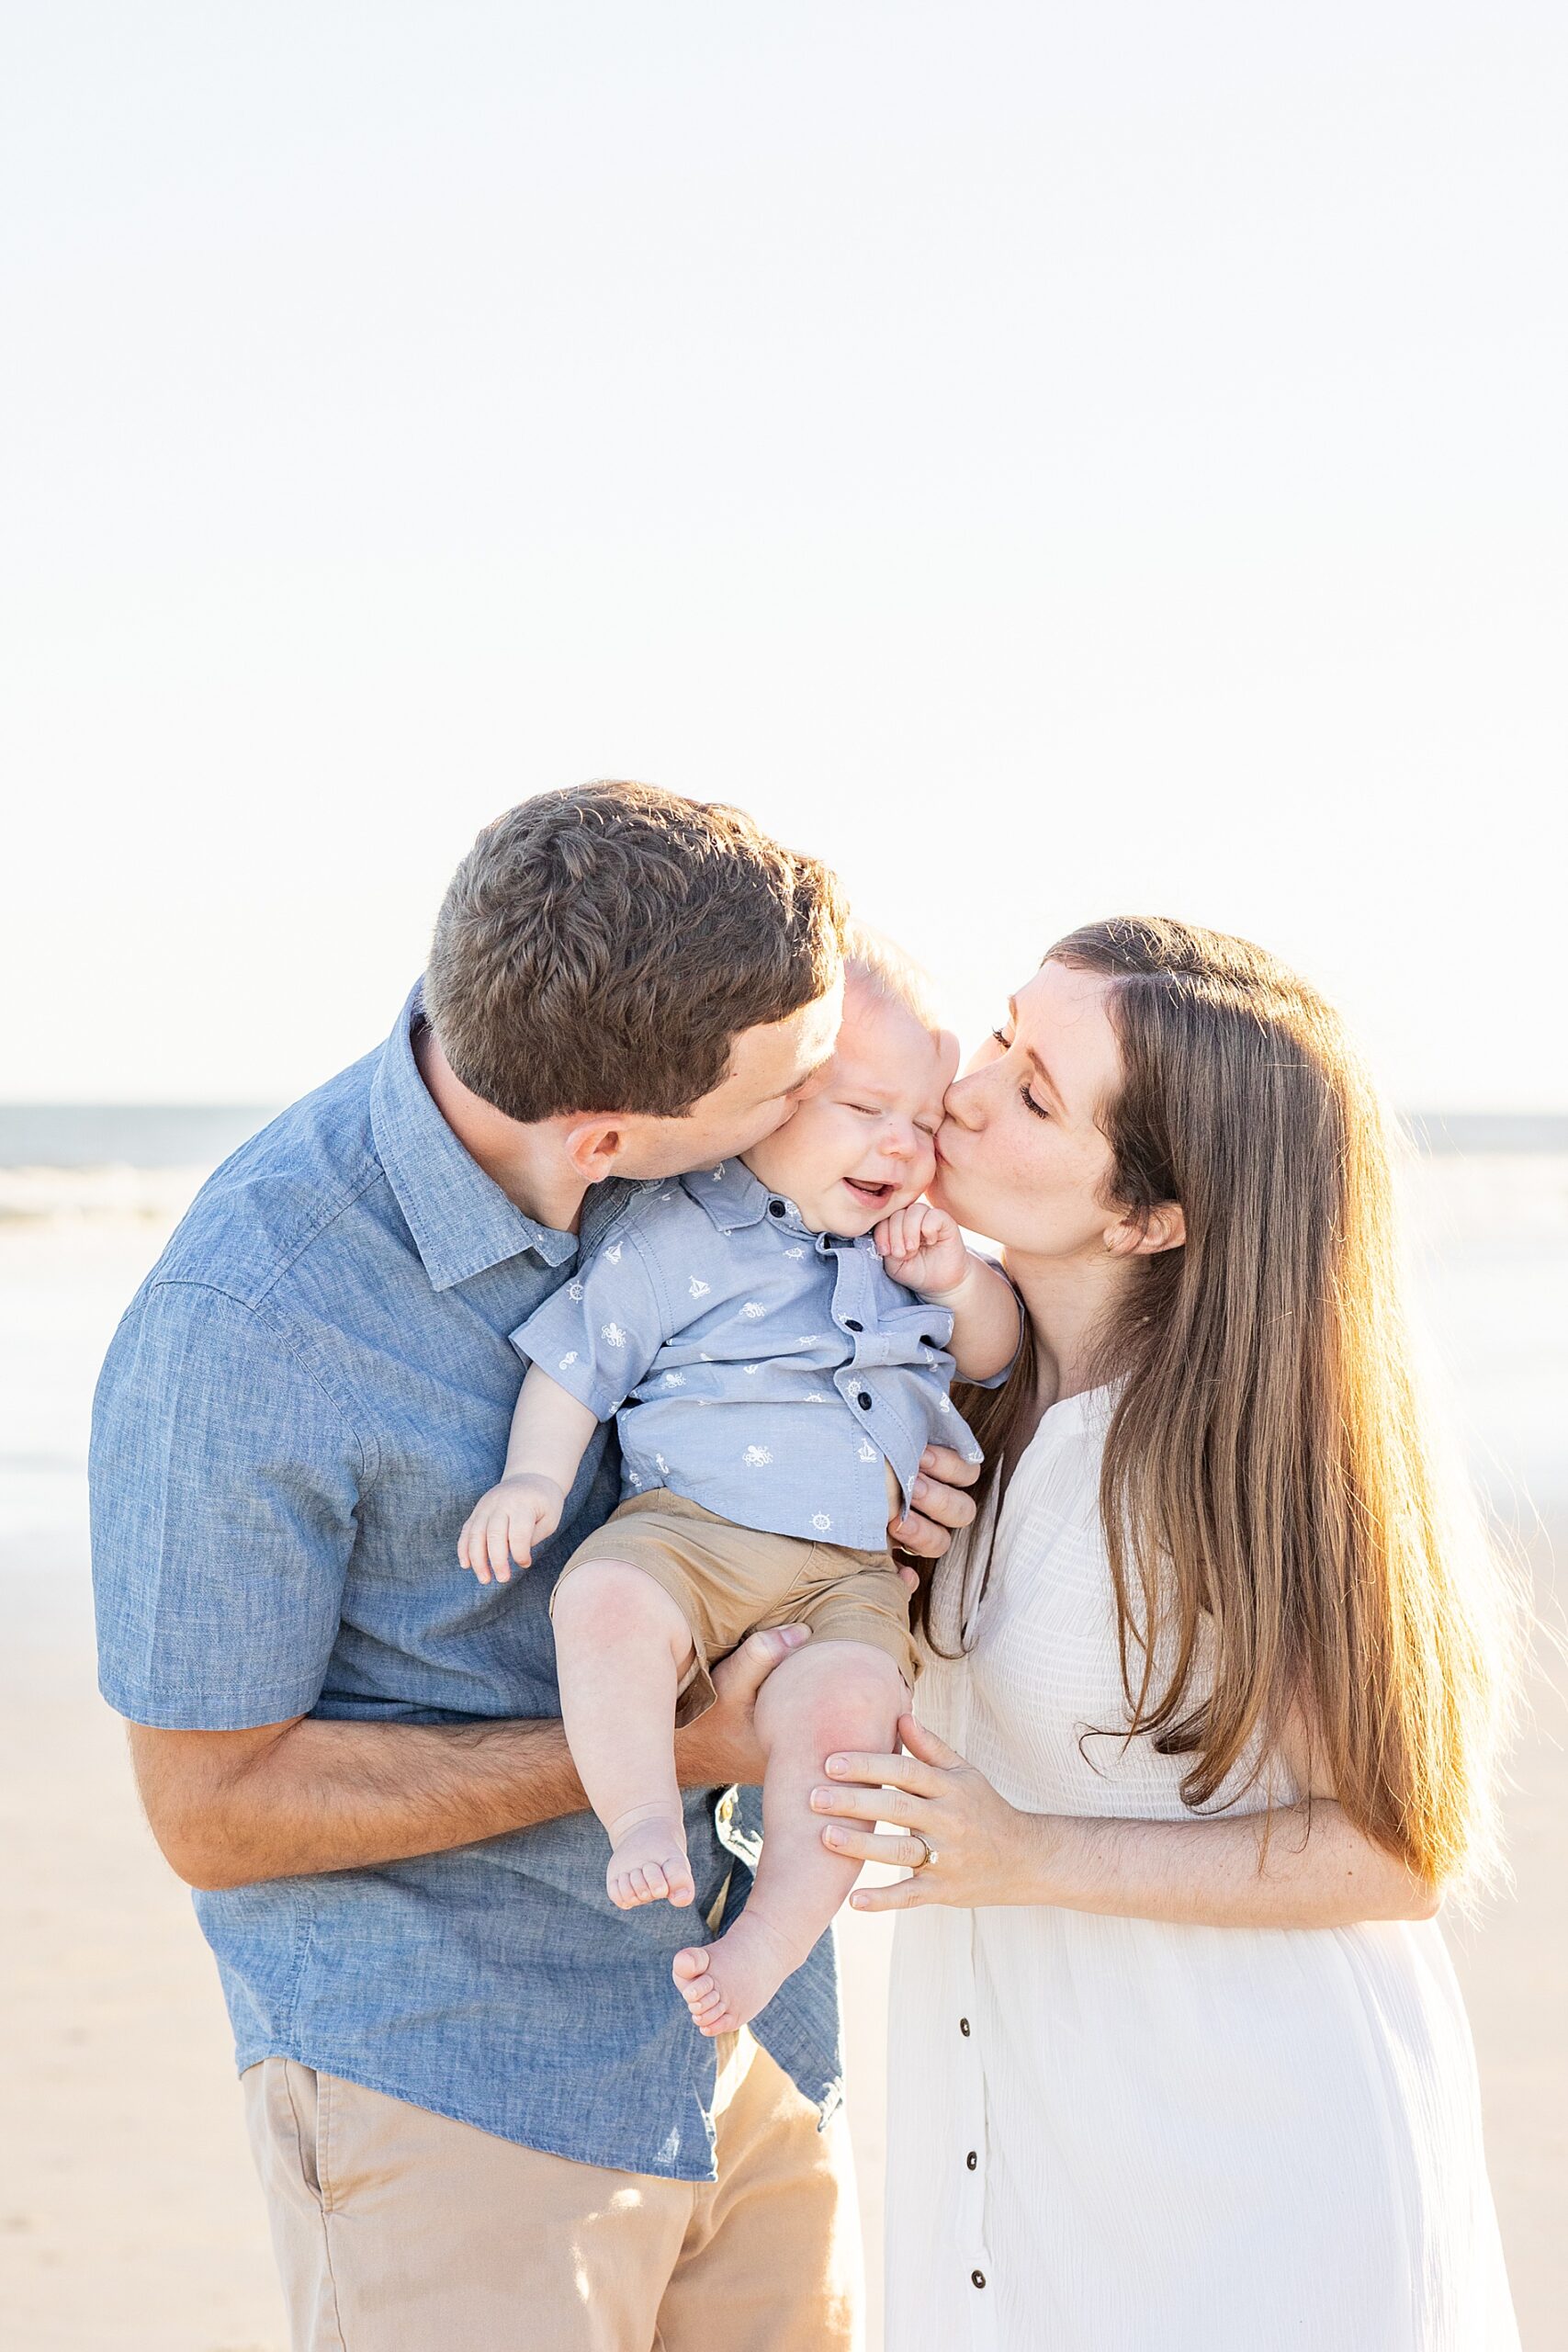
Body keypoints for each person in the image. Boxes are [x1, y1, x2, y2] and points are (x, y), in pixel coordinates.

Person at [89, 781, 980, 2352]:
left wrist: (897, 1484)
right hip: (455, 2088)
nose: (816, 1114)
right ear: (614, 1137)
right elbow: (209, 1812)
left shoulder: (688, 1151)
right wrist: (663, 1749)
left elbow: (861, 1354)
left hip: (748, 2042)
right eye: (790, 1088)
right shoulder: (249, 1326)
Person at [811, 918, 1521, 2350]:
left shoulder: (1254, 1468)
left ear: (1148, 1216)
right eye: (1005, 1034)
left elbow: (1394, 1853)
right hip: (1011, 2140)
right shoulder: (947, 1385)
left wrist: (1029, 1853)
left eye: (1031, 1093)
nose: (965, 1084)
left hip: (1242, 2172)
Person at [459, 943, 1021, 2038]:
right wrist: (533, 1478)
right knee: (603, 1603)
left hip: (850, 1578)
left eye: (923, 1120)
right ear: (769, 1108)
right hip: (691, 1537)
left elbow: (993, 1352)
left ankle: (768, 1945)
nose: (902, 1145)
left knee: (853, 1726)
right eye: (865, 1107)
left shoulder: (911, 1249)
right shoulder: (681, 1233)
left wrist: (955, 1277)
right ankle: (640, 1822)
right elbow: (579, 1361)